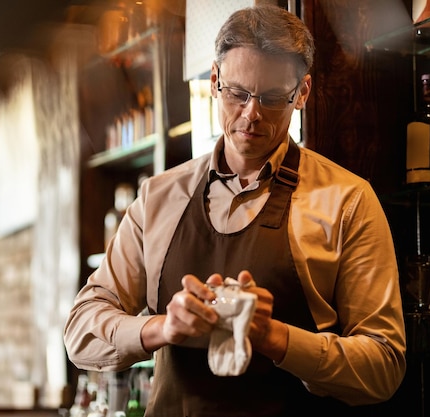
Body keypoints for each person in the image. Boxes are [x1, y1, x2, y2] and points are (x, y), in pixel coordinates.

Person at [64, 4, 406, 416]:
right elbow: (81, 333)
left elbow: (384, 367)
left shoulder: (348, 200)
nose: (251, 114)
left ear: (303, 93)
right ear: (214, 80)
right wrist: (162, 328)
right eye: (238, 93)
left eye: (273, 98)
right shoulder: (157, 197)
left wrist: (276, 338)